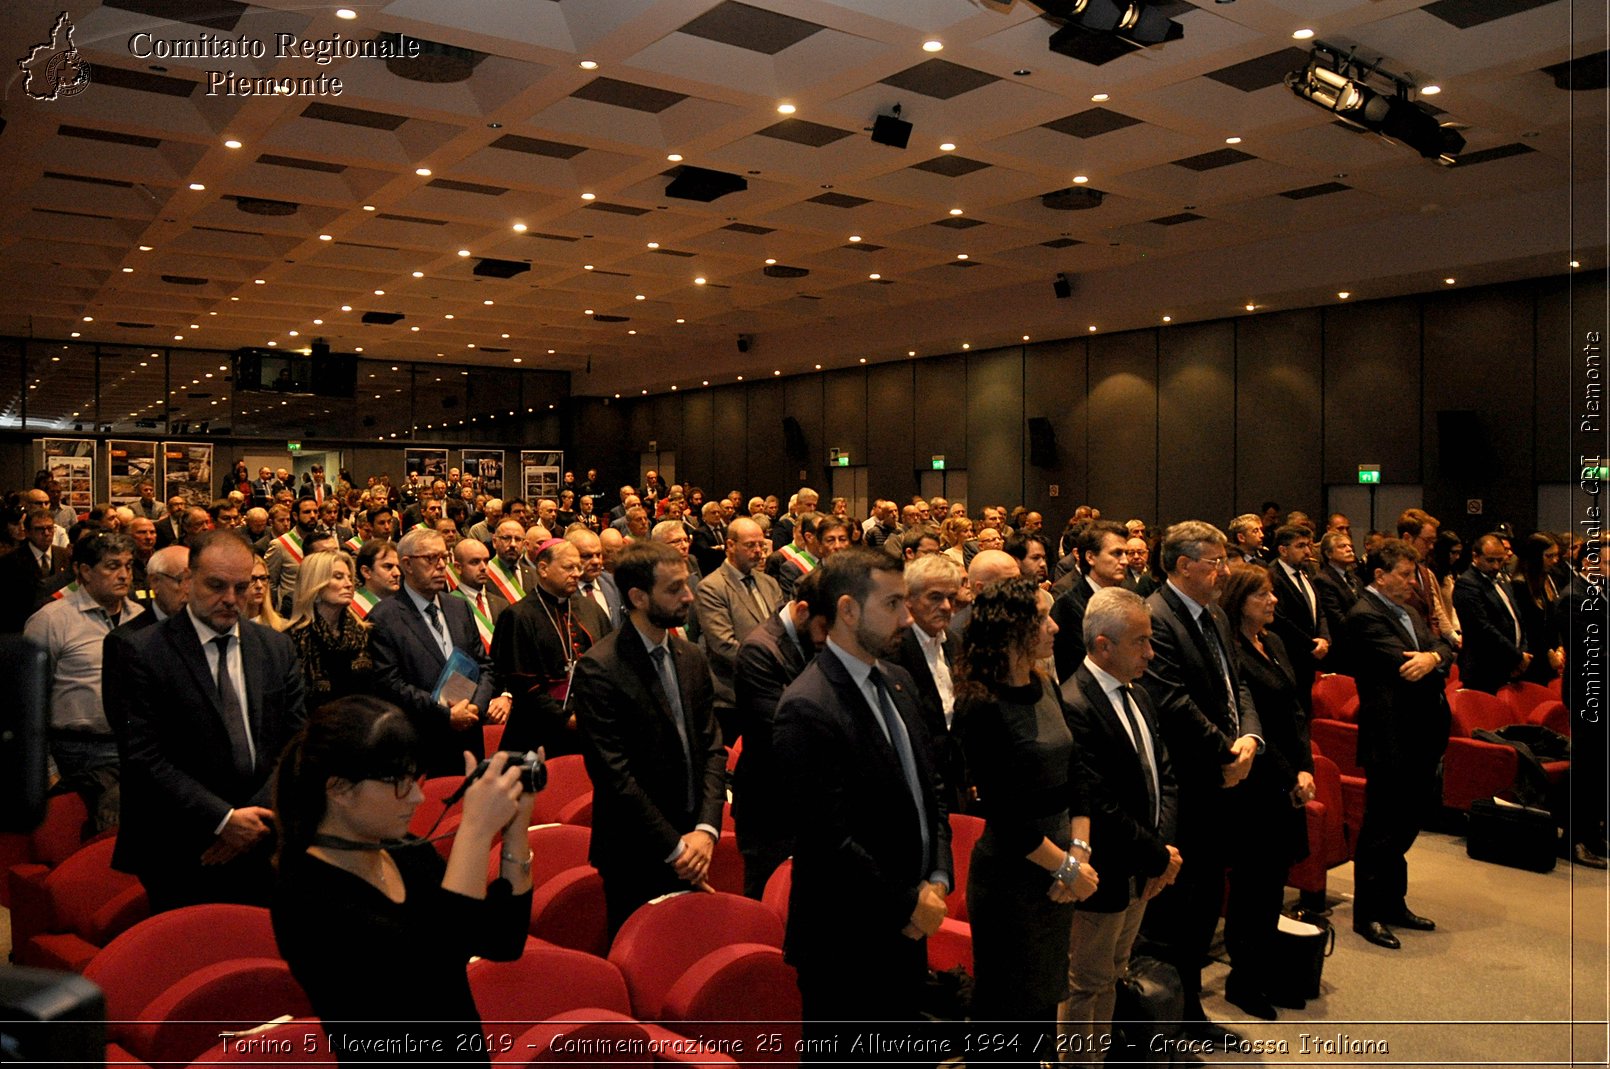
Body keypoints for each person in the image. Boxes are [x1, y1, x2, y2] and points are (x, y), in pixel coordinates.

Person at [271, 696, 534, 1064]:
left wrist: (516, 829)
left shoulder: (405, 850)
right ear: (339, 788)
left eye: (414, 779)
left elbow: (502, 940)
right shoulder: (305, 893)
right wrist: (474, 830)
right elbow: (435, 967)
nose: (418, 796)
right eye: (398, 782)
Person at [773, 548, 953, 1049]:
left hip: (908, 922)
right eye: (893, 603)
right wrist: (906, 902)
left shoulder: (897, 680)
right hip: (846, 941)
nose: (906, 616)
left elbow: (931, 789)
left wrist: (936, 878)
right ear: (848, 610)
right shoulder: (808, 705)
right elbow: (826, 838)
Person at [117, 530, 307, 910]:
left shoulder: (275, 647)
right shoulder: (139, 650)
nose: (231, 599)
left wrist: (250, 823)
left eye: (241, 586)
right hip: (179, 843)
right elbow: (143, 756)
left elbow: (296, 740)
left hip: (262, 834)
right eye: (216, 586)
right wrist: (223, 819)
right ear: (188, 580)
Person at [953, 577, 1096, 1056]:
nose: (1055, 627)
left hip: (1060, 860)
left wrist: (1079, 849)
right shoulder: (980, 702)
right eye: (1043, 618)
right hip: (1013, 876)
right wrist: (1067, 868)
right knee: (1006, 1013)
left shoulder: (1045, 679)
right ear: (1014, 628)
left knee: (1042, 1005)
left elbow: (1077, 772)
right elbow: (1002, 812)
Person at [1137, 521, 1261, 1044]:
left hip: (1226, 775)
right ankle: (1175, 1017)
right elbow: (1171, 702)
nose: (1224, 571)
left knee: (1208, 896)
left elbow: (1240, 684)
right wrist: (1224, 751)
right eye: (1215, 561)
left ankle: (1191, 1015)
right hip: (1188, 782)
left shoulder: (1213, 614)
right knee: (1180, 910)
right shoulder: (1158, 618)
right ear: (1184, 564)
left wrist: (1250, 739)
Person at [570, 540, 728, 933]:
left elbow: (711, 747)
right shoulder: (600, 668)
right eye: (674, 589)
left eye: (687, 584)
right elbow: (614, 775)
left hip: (696, 839)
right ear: (638, 597)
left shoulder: (690, 656)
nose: (689, 596)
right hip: (636, 850)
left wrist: (707, 830)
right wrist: (675, 847)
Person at [1058, 587, 1180, 1066]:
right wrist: (1156, 854)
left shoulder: (1140, 694)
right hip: (1105, 870)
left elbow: (1164, 774)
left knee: (1113, 972)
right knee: (1085, 983)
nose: (1151, 652)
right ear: (1103, 645)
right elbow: (1098, 804)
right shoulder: (1075, 702)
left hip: (1142, 867)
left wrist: (1163, 850)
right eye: (1140, 642)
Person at [1218, 563, 1316, 1017]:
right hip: (1257, 784)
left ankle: (1264, 969)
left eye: (1273, 593)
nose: (1273, 601)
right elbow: (1251, 721)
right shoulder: (1231, 652)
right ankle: (1244, 979)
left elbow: (1296, 713)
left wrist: (1306, 767)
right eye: (1263, 595)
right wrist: (1289, 772)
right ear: (1240, 601)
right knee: (1253, 885)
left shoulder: (1273, 642)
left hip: (1288, 778)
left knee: (1274, 883)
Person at [1347, 539, 1453, 949]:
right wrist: (1432, 659)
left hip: (1422, 731)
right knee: (1382, 827)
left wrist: (1434, 658)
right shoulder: (1363, 615)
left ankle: (1394, 903)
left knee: (1408, 823)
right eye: (1405, 575)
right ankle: (1368, 914)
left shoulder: (1408, 610)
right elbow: (1405, 666)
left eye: (1413, 574)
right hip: (1390, 736)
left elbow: (1444, 645)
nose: (1413, 582)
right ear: (1379, 575)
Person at [26, 530, 143, 831]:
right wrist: (48, 770)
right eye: (112, 566)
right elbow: (28, 704)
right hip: (75, 754)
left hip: (132, 748)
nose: (123, 575)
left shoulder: (141, 618)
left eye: (128, 566)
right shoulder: (51, 620)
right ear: (84, 572)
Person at [368, 528, 503, 776]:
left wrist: (476, 706)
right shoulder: (384, 617)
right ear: (407, 564)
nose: (441, 566)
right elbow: (389, 683)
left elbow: (484, 665)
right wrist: (445, 714)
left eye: (444, 557)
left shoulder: (458, 606)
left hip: (468, 736)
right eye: (431, 559)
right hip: (421, 739)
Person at [492, 538, 609, 758]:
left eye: (578, 567)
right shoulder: (518, 616)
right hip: (537, 732)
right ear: (543, 569)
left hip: (587, 723)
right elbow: (522, 685)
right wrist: (566, 718)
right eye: (568, 567)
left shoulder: (589, 607)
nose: (576, 573)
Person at [285, 550, 376, 705]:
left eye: (349, 577)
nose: (349, 584)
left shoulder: (364, 632)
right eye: (338, 577)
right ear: (315, 583)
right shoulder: (292, 639)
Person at [1513, 532, 1565, 685]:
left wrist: (1559, 647)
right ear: (1535, 556)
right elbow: (1530, 626)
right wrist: (1549, 653)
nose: (1555, 560)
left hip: (1551, 653)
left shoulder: (1547, 578)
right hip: (1534, 658)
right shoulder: (1520, 584)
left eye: (1556, 555)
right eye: (1549, 556)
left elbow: (1553, 619)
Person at [244, 553, 286, 631]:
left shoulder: (281, 627)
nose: (259, 585)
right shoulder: (229, 627)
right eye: (252, 579)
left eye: (263, 578)